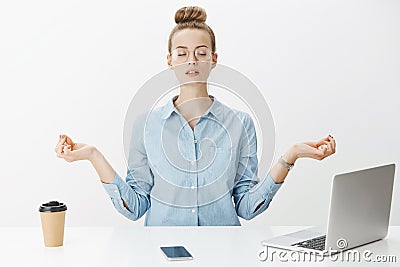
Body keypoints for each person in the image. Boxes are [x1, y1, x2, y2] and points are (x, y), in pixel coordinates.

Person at [54, 6, 336, 226]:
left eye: (201, 53)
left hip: (224, 251)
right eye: (182, 53)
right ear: (170, 61)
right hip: (160, 252)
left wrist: (290, 157)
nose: (191, 60)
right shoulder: (146, 125)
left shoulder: (241, 124)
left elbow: (247, 207)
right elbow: (136, 207)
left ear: (214, 59)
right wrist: (93, 155)